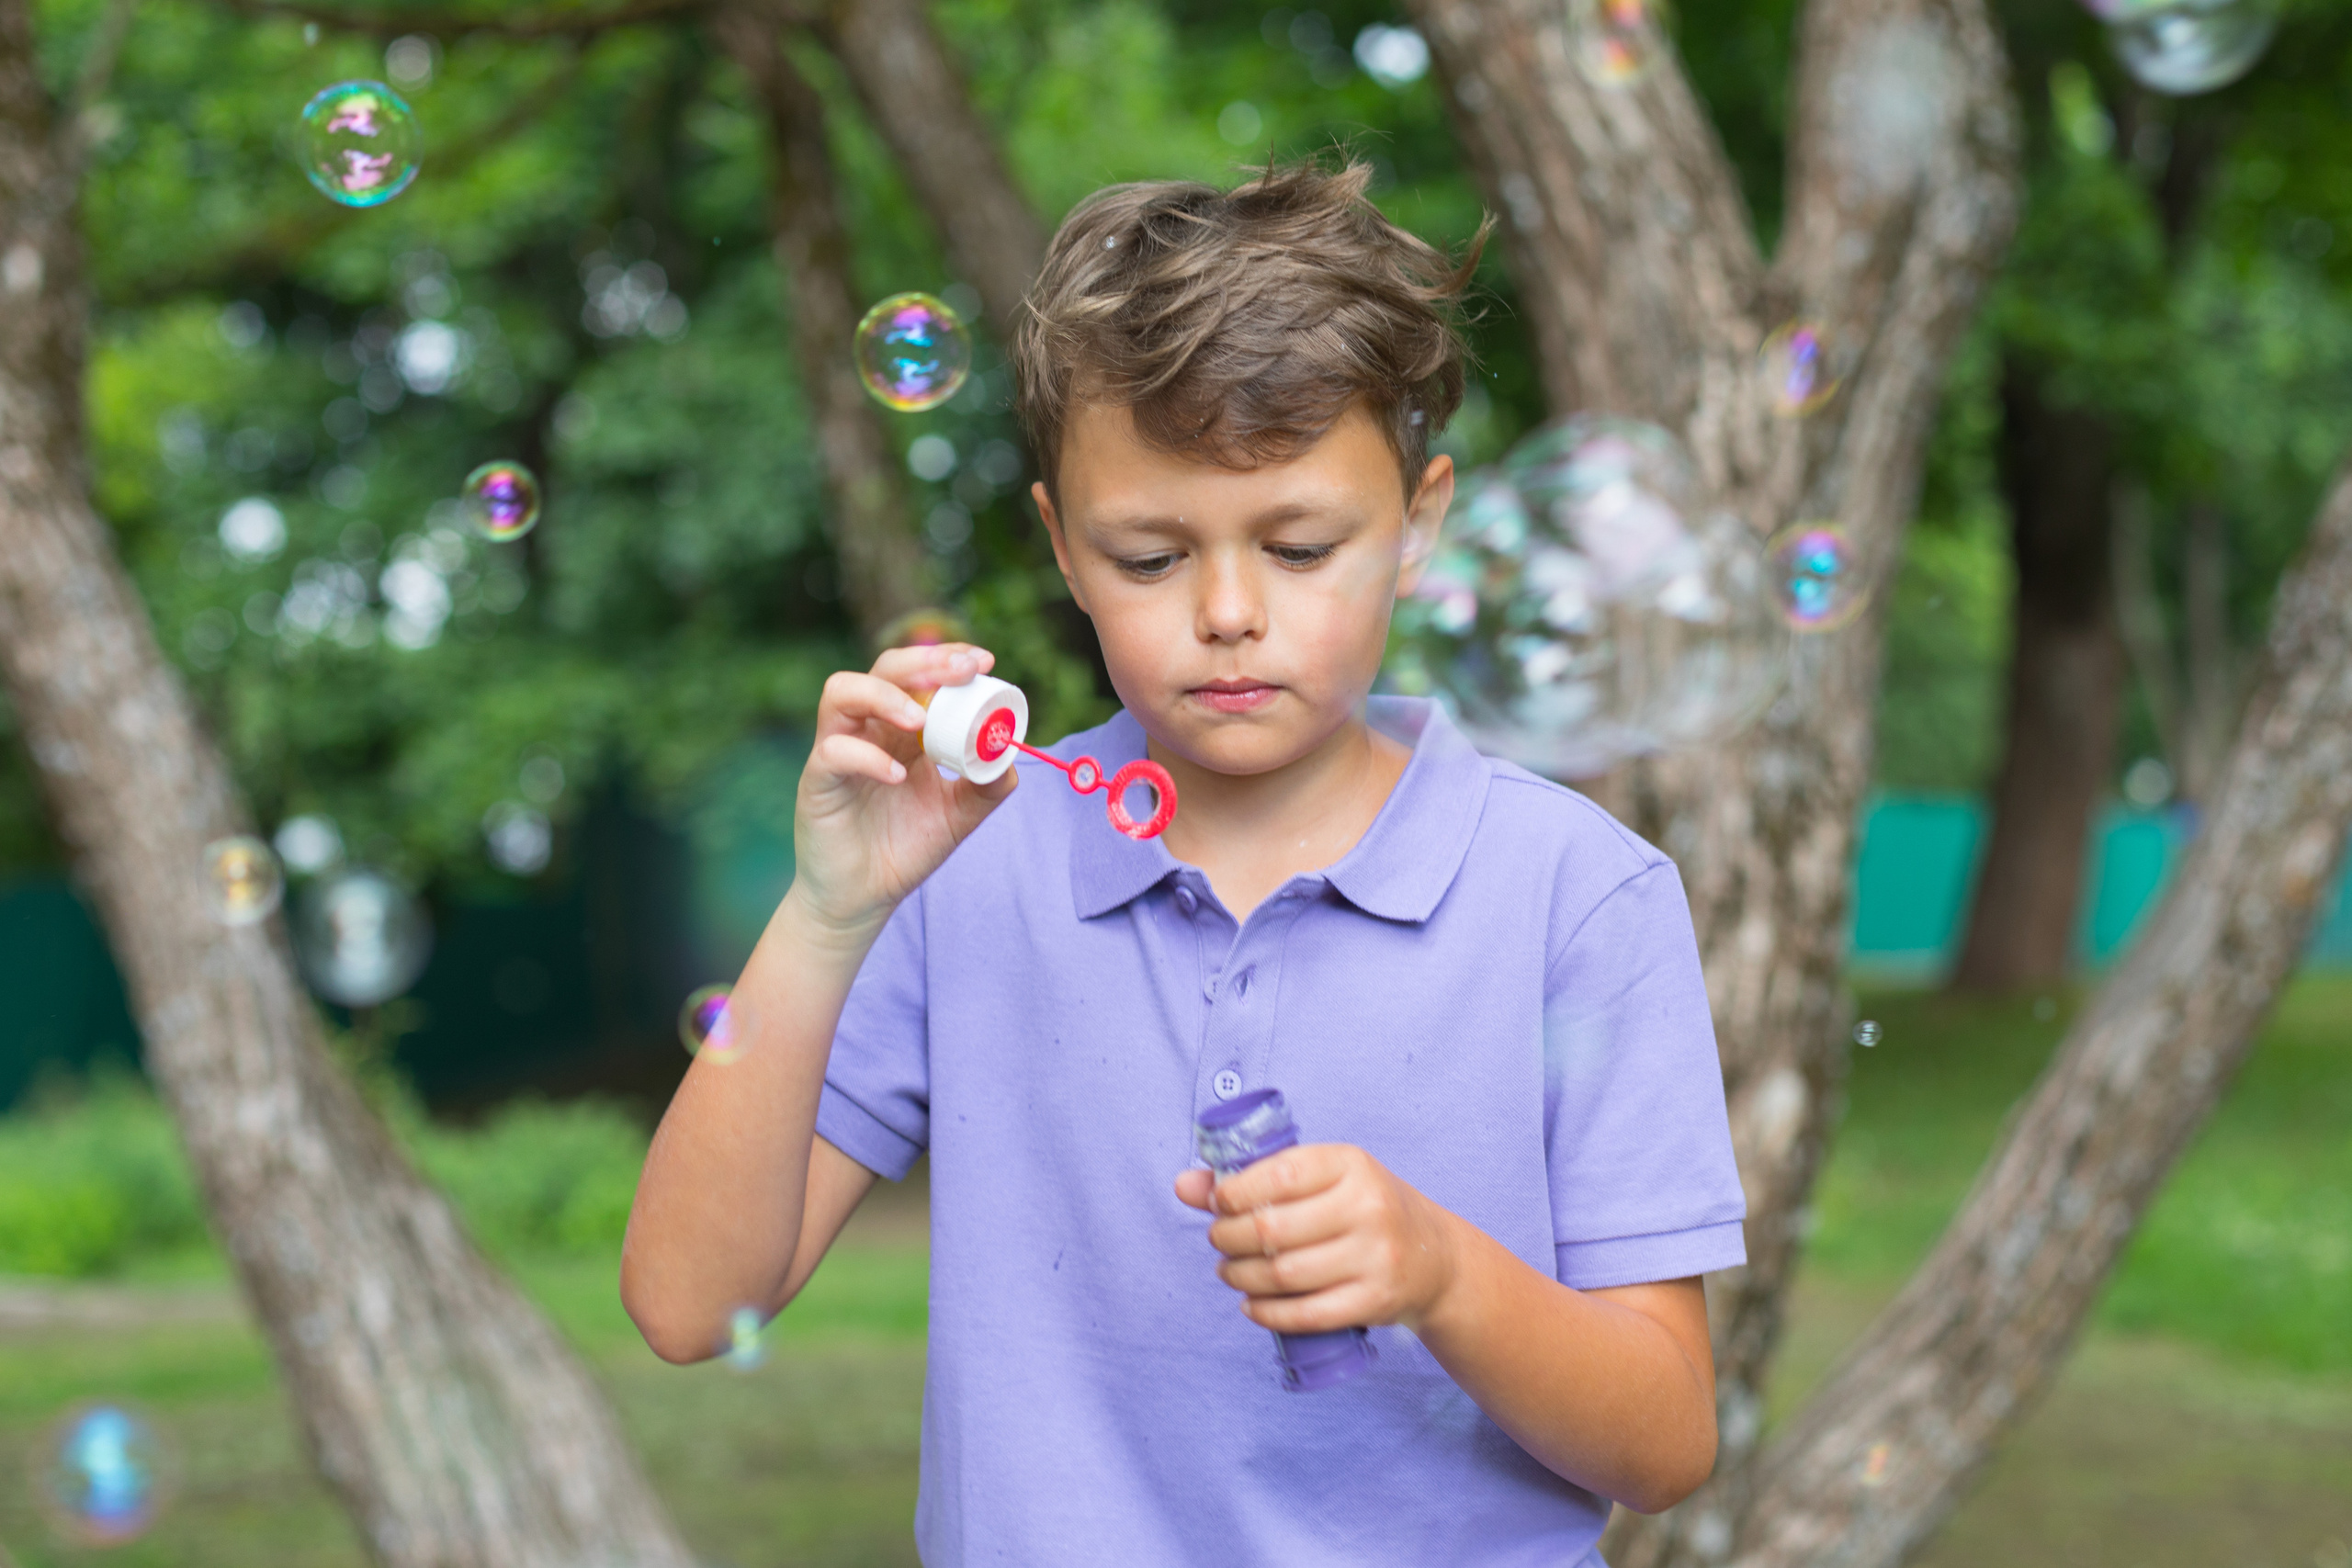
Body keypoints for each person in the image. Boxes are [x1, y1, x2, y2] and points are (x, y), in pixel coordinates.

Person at [622, 157, 1747, 1566]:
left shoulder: (1578, 895)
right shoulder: (968, 862)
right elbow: (684, 1304)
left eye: (1298, 546)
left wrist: (1445, 1273)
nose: (1226, 613)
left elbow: (1666, 1442)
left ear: (1421, 524)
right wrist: (831, 908)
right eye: (1150, 557)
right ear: (1063, 549)